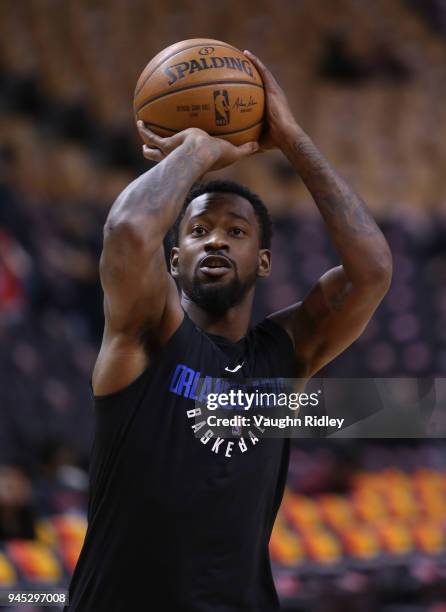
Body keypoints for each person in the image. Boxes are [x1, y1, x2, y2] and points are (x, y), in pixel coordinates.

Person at [65, 51, 392, 611]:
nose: (215, 240)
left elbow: (372, 271)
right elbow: (126, 229)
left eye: (235, 230)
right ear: (172, 260)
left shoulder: (284, 355)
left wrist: (290, 138)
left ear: (263, 261)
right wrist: (199, 149)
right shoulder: (146, 334)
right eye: (198, 230)